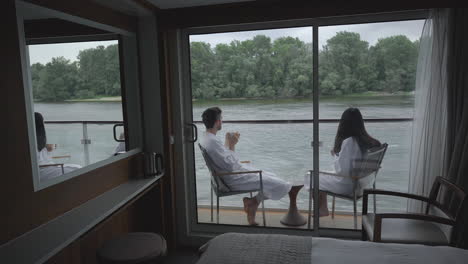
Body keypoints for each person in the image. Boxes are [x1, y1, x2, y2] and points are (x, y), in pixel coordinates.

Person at [199, 107, 295, 225]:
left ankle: (252, 203)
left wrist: (227, 141)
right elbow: (230, 166)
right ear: (218, 121)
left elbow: (224, 159)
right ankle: (253, 202)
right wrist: (233, 144)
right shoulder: (212, 142)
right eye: (221, 119)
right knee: (282, 185)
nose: (222, 121)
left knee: (271, 176)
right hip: (233, 178)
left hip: (228, 175)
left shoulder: (207, 138)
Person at [305, 107, 381, 216]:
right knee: (318, 176)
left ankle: (322, 209)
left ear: (344, 123)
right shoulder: (372, 142)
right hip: (364, 185)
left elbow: (341, 170)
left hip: (349, 185)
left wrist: (336, 155)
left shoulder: (349, 142)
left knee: (310, 176)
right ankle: (323, 208)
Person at [35, 112, 81, 181]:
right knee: (77, 170)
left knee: (77, 167)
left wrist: (49, 147)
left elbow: (45, 152)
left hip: (47, 167)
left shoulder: (38, 140)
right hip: (43, 169)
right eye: (43, 121)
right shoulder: (34, 142)